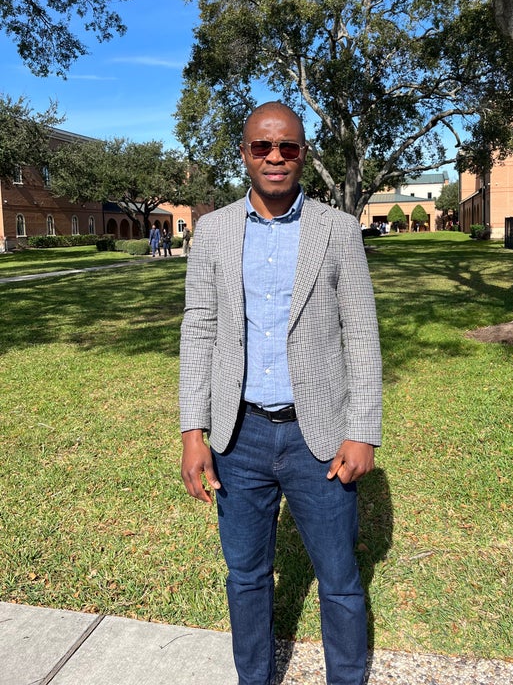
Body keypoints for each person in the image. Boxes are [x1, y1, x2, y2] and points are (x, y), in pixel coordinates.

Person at [179, 101, 382, 685]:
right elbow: (199, 328)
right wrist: (193, 433)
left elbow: (360, 330)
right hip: (237, 437)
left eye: (287, 146)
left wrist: (362, 432)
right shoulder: (213, 230)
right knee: (245, 577)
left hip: (318, 438)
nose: (275, 157)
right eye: (262, 146)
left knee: (339, 579)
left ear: (303, 153)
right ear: (244, 154)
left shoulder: (336, 229)